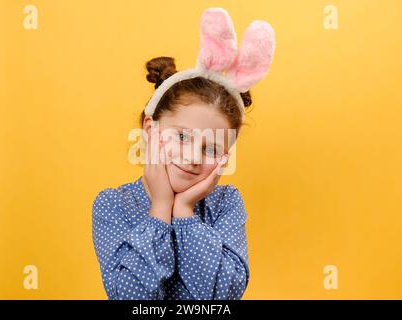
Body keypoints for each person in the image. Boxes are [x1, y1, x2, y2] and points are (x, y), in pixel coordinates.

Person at [92, 7, 276, 300]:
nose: (192, 157)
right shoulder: (113, 205)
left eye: (212, 147)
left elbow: (222, 297)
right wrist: (161, 208)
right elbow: (132, 299)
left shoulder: (226, 204)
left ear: (225, 155)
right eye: (181, 136)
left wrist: (184, 212)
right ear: (150, 130)